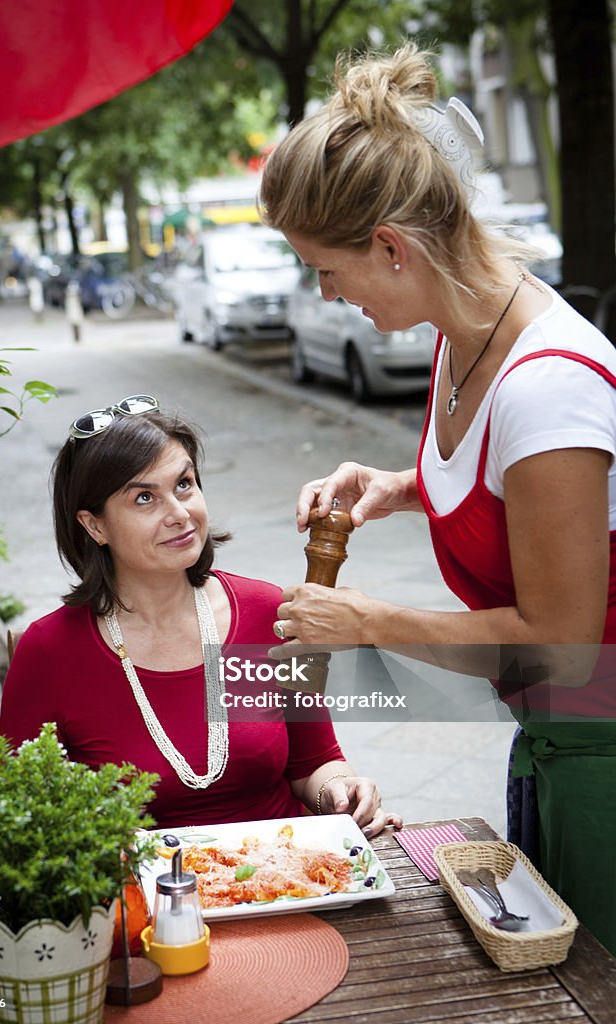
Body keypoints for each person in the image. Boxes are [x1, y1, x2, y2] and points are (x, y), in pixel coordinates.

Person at [258, 43, 616, 953]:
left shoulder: (547, 387)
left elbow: (562, 648)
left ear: (391, 247)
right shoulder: (465, 332)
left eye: (324, 269)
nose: (323, 294)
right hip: (553, 740)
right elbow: (511, 489)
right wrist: (397, 486)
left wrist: (367, 621)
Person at [0, 397, 400, 839]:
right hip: (139, 895)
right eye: (145, 498)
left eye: (184, 484)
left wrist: (341, 793)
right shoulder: (49, 652)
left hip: (285, 876)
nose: (179, 513)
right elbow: (23, 822)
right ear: (95, 526)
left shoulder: (269, 612)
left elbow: (314, 762)